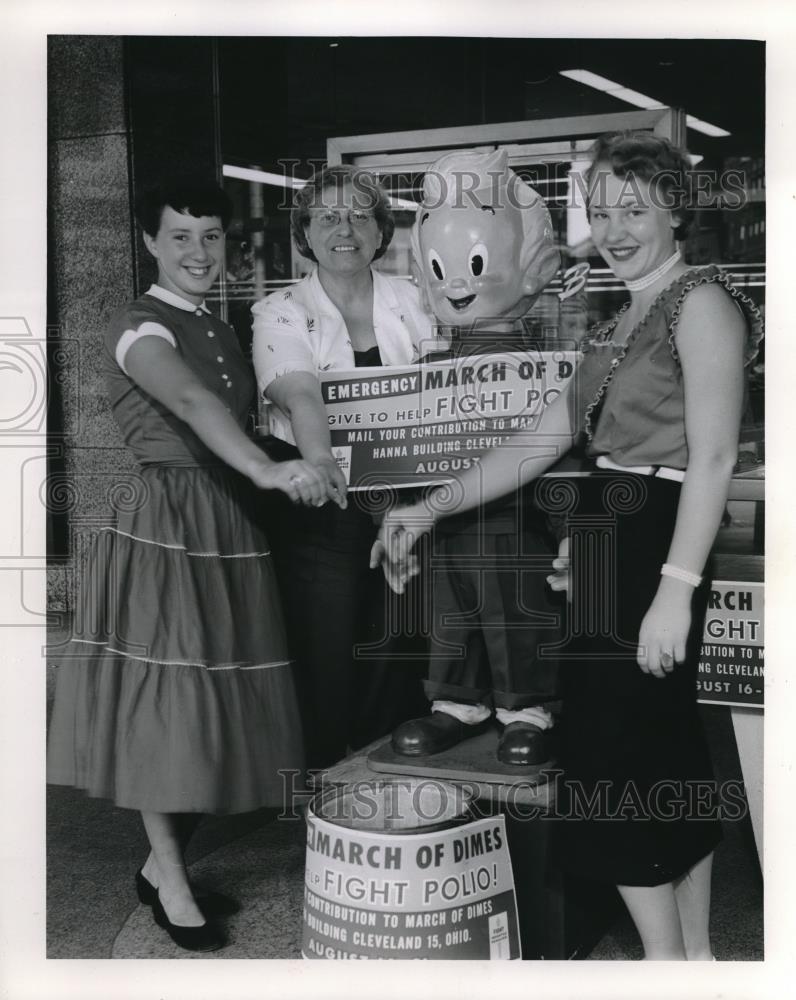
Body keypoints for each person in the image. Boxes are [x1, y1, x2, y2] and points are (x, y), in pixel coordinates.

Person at [373, 131, 763, 959]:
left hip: (655, 546)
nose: (616, 226)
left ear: (674, 208)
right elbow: (537, 441)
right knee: (655, 757)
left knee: (622, 760)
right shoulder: (620, 320)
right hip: (612, 542)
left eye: (634, 206)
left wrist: (674, 588)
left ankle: (665, 962)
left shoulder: (701, 301)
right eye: (601, 209)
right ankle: (692, 957)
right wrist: (430, 507)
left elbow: (716, 455)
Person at [47, 178, 339, 952]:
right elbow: (189, 404)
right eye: (180, 236)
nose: (198, 252)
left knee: (221, 702)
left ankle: (159, 860)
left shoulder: (215, 323)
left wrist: (302, 461)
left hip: (224, 522)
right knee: (171, 703)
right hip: (164, 522)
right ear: (150, 242)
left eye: (211, 237)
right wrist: (267, 469)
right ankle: (170, 879)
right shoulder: (137, 326)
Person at [251, 165, 441, 771]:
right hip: (321, 505)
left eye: (361, 215)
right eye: (328, 216)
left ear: (382, 231)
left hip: (409, 500)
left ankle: (389, 776)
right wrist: (322, 460)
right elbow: (299, 392)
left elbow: (448, 392)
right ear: (305, 233)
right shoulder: (278, 310)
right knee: (327, 645)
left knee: (398, 640)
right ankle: (327, 786)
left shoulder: (418, 300)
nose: (345, 228)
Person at [383, 148, 564, 766]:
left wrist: (570, 530)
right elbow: (402, 448)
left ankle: (525, 704)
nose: (457, 282)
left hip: (522, 516)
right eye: (440, 267)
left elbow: (564, 446)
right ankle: (457, 699)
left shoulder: (548, 368)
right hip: (445, 520)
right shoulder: (427, 368)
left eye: (477, 263)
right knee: (452, 596)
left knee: (513, 594)